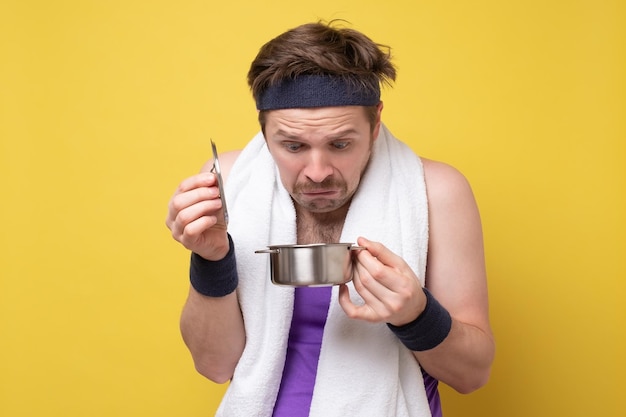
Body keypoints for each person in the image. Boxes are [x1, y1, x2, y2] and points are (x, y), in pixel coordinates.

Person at [166, 21, 495, 417]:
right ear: (263, 129)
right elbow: (214, 366)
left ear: (375, 123)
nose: (317, 171)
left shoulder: (436, 192)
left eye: (340, 144)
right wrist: (212, 260)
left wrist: (416, 314)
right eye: (293, 145)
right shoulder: (231, 182)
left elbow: (472, 375)